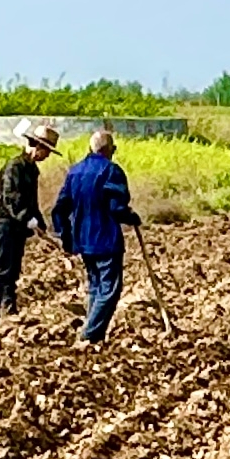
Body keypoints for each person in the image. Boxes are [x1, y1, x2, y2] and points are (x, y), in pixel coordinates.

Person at [48, 123, 143, 344]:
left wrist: (65, 235)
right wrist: (131, 217)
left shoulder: (75, 171)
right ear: (110, 149)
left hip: (83, 239)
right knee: (110, 289)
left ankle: (95, 337)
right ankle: (89, 335)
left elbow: (59, 208)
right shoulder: (111, 171)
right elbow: (116, 208)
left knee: (96, 287)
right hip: (105, 239)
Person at [0, 121, 60, 319]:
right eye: (47, 151)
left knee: (13, 269)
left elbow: (32, 201)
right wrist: (28, 219)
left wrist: (40, 223)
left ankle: (9, 308)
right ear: (38, 147)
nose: (47, 156)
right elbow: (11, 199)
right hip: (2, 225)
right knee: (0, 268)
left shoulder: (32, 170)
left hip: (17, 228)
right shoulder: (14, 167)